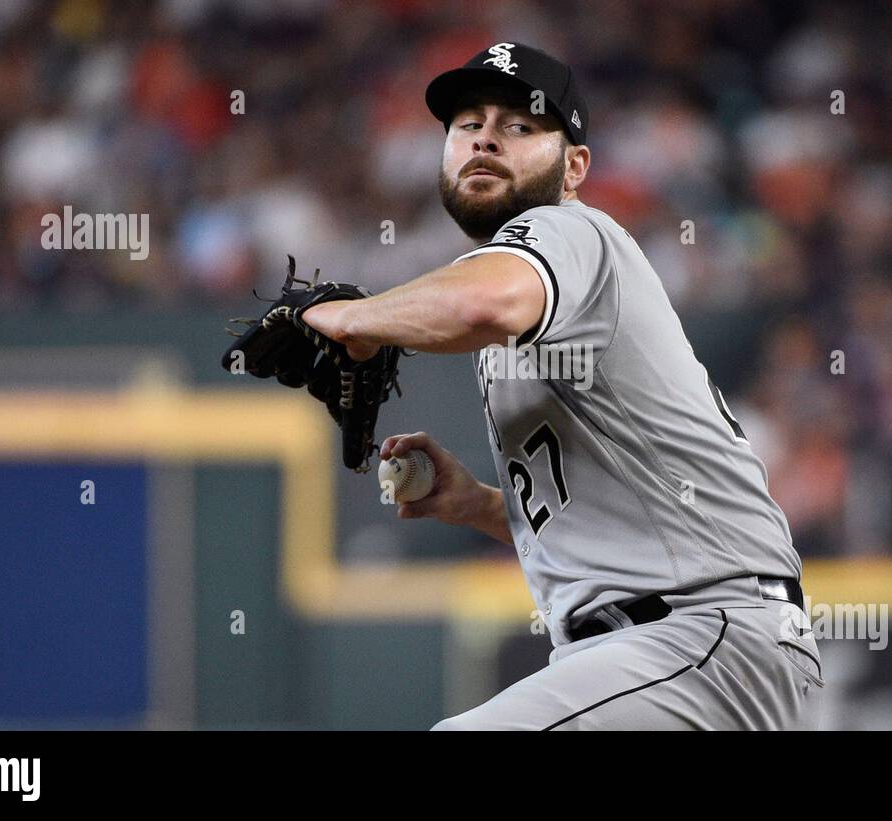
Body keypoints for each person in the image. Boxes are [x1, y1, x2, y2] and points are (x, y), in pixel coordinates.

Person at [300, 42, 824, 729]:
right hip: (673, 654)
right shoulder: (534, 295)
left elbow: (481, 303)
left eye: (520, 125)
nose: (486, 135)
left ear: (574, 166)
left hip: (700, 641)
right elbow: (623, 526)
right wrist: (484, 505)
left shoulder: (567, 231)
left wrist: (349, 318)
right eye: (467, 123)